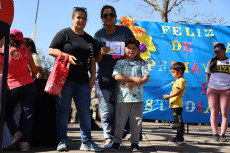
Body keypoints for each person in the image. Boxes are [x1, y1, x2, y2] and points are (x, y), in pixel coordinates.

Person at [48, 7, 103, 152]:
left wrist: (92, 77)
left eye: (84, 18)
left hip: (83, 82)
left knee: (84, 112)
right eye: (78, 17)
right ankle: (62, 141)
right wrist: (66, 56)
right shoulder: (64, 34)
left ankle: (87, 142)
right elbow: (51, 50)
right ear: (73, 18)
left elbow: (92, 60)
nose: (81, 20)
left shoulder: (90, 39)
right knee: (63, 111)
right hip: (64, 80)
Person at [94, 5, 136, 148]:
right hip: (104, 76)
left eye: (111, 14)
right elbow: (96, 59)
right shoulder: (98, 35)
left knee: (121, 109)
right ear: (102, 18)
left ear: (115, 17)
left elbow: (134, 49)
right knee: (106, 109)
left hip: (123, 76)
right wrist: (101, 53)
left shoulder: (125, 31)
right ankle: (108, 139)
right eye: (105, 15)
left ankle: (117, 139)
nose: (109, 17)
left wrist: (134, 58)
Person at [0, 29, 38, 151]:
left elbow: (1, 71)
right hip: (29, 86)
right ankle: (24, 144)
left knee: (5, 111)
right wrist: (30, 78)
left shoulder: (3, 51)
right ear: (21, 40)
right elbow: (35, 70)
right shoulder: (25, 52)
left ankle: (15, 132)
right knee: (28, 115)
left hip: (13, 87)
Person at [110, 38, 150, 151]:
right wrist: (132, 79)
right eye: (129, 48)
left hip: (138, 98)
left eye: (134, 49)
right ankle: (116, 141)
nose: (131, 51)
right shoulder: (120, 62)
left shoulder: (141, 63)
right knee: (120, 121)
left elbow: (146, 77)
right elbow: (117, 76)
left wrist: (137, 83)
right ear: (124, 49)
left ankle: (135, 143)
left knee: (137, 121)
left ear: (137, 50)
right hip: (123, 98)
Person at [205, 43, 230, 142]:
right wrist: (211, 86)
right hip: (213, 90)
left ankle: (223, 134)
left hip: (226, 90)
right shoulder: (211, 61)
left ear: (224, 50)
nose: (217, 53)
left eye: (219, 51)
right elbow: (208, 76)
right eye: (216, 51)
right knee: (214, 112)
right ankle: (215, 133)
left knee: (224, 112)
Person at [163, 62, 186, 143]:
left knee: (178, 121)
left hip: (177, 104)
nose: (172, 74)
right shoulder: (179, 80)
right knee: (177, 120)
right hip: (176, 104)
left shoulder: (180, 80)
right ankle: (179, 136)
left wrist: (169, 96)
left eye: (173, 72)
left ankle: (179, 137)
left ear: (180, 72)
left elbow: (178, 91)